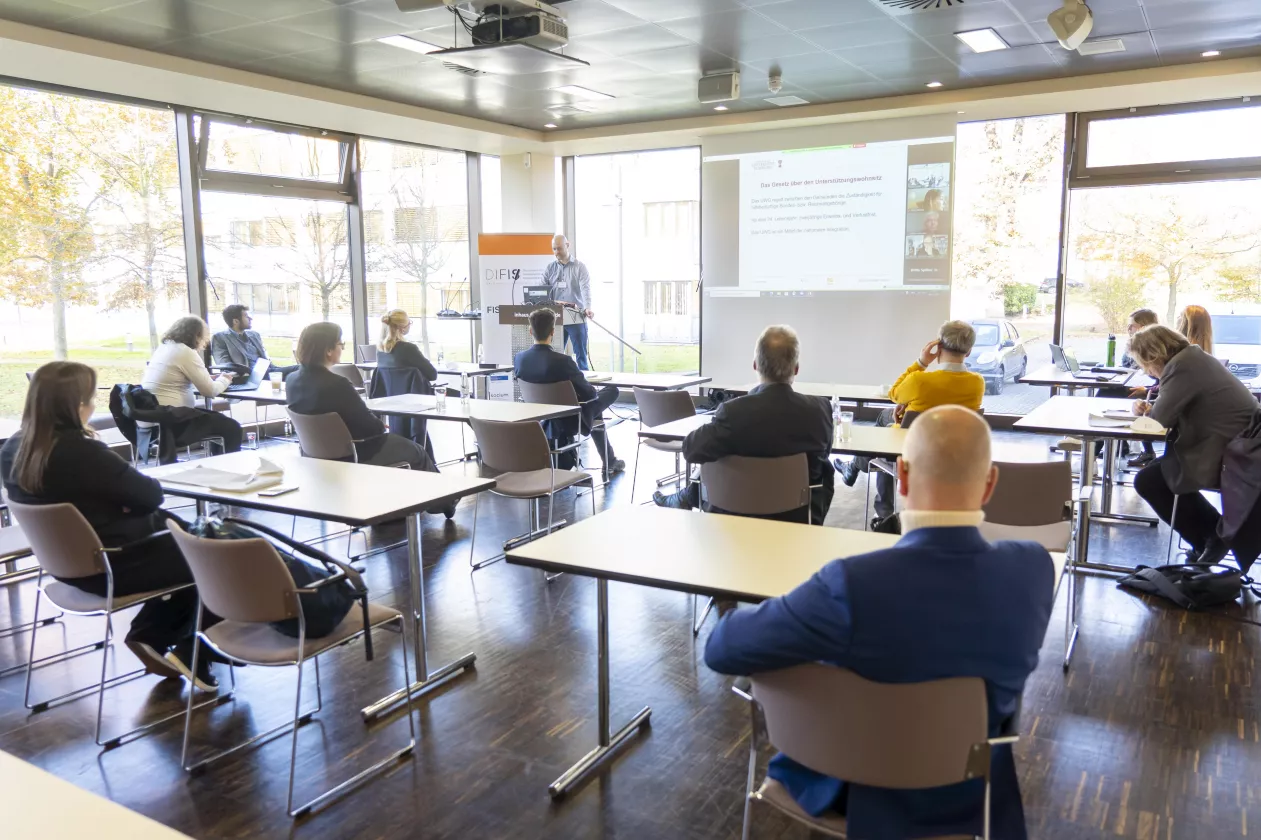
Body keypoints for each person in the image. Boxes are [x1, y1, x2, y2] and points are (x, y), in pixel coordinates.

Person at [705, 406, 1055, 839]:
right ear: (990, 483)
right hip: (974, 793)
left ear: (901, 476)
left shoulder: (850, 584)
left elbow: (722, 649)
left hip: (853, 784)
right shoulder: (1033, 569)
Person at [0, 362, 220, 690]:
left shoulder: (13, 449)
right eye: (90, 399)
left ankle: (155, 635)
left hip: (65, 566)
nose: (93, 406)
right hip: (113, 564)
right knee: (213, 556)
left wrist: (120, 504)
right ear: (75, 406)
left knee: (191, 541)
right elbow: (151, 495)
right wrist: (124, 504)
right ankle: (190, 648)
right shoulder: (82, 452)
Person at [653, 325, 834, 525]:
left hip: (734, 525)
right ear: (796, 368)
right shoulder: (819, 411)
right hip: (799, 522)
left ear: (755, 365)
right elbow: (824, 453)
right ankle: (685, 497)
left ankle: (685, 497)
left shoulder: (732, 413)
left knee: (715, 450)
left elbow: (691, 450)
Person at [285, 323, 455, 516]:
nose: (342, 348)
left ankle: (410, 504)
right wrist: (379, 424)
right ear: (328, 350)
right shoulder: (337, 384)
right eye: (340, 344)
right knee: (417, 451)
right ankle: (445, 502)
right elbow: (371, 428)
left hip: (314, 456)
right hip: (357, 452)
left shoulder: (291, 380)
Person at [835, 320, 985, 524]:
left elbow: (893, 393)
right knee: (889, 421)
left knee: (885, 426)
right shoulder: (977, 383)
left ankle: (873, 497)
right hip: (952, 457)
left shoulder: (919, 381)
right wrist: (909, 408)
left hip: (911, 456)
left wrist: (921, 363)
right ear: (968, 352)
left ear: (938, 346)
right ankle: (854, 468)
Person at [1130, 325, 1257, 565]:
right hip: (1240, 447)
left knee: (1149, 480)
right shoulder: (1193, 359)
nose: (1146, 370)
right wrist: (1151, 409)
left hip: (1235, 456)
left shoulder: (1182, 367)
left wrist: (1148, 413)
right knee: (1159, 471)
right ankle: (1209, 538)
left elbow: (1157, 422)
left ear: (1153, 356)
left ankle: (1212, 536)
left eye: (1144, 364)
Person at [514, 308, 624, 476]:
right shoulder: (564, 361)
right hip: (570, 419)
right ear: (553, 331)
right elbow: (589, 394)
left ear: (530, 331)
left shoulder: (520, 359)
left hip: (540, 417)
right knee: (611, 390)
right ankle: (609, 460)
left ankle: (610, 459)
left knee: (595, 412)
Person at [141, 315, 243, 456]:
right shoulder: (185, 352)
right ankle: (226, 464)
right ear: (197, 335)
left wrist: (207, 378)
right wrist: (225, 379)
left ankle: (217, 461)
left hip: (152, 420)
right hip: (172, 423)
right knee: (231, 427)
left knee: (219, 421)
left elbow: (175, 379)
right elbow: (210, 391)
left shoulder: (165, 348)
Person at [541, 234, 594, 370]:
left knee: (581, 355)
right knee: (555, 355)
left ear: (567, 245)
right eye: (554, 249)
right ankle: (558, 381)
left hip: (576, 317)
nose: (556, 252)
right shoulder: (550, 268)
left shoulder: (579, 267)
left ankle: (583, 381)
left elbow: (585, 289)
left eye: (559, 248)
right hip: (556, 318)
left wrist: (588, 307)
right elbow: (542, 290)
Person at [210, 304, 297, 381]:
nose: (250, 318)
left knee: (300, 372)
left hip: (268, 371)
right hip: (248, 376)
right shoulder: (220, 338)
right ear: (236, 321)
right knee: (299, 369)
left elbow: (265, 357)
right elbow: (225, 365)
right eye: (246, 316)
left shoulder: (254, 335)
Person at [376, 309, 438, 381]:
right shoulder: (408, 349)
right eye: (409, 323)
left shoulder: (380, 349)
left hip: (390, 389)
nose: (410, 325)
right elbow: (432, 375)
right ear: (402, 328)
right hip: (412, 389)